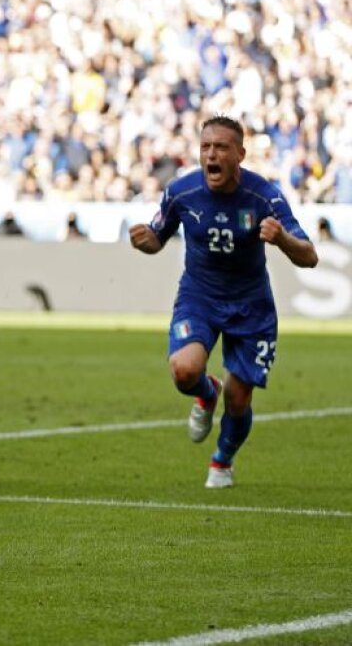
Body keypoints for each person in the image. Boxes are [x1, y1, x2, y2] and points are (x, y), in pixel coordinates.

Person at [129, 115, 317, 488]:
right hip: (199, 295)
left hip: (251, 304)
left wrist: (281, 239)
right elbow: (157, 238)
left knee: (239, 399)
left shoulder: (265, 196)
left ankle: (222, 460)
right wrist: (145, 239)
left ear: (240, 154)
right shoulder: (180, 191)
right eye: (205, 147)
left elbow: (309, 255)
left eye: (221, 147)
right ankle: (205, 392)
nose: (211, 154)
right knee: (184, 371)